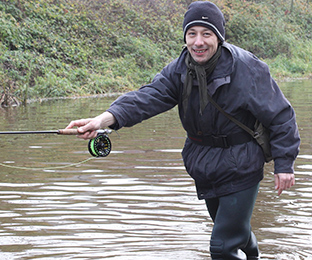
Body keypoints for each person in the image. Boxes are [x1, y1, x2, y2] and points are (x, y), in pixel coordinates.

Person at [66, 1, 300, 259]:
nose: (198, 42)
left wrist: (284, 164)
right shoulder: (180, 68)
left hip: (242, 162)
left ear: (219, 38)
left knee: (222, 245)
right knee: (235, 232)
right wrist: (102, 120)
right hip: (203, 162)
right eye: (192, 34)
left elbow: (281, 115)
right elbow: (148, 97)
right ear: (185, 37)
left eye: (206, 34)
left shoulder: (248, 68)